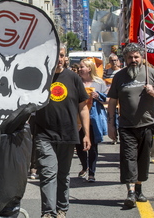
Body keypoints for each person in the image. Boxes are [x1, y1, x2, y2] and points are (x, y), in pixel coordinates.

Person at [107, 43, 154, 209]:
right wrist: (111, 124)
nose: (133, 60)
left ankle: (139, 188)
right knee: (129, 159)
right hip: (126, 126)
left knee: (143, 159)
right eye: (130, 57)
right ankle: (131, 192)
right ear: (125, 59)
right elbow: (112, 101)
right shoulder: (119, 76)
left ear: (142, 57)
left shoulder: (151, 73)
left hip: (147, 125)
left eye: (136, 57)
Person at [35, 44, 91, 218]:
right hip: (44, 134)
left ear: (65, 57)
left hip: (67, 134)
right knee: (47, 173)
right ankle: (48, 212)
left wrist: (87, 134)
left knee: (63, 175)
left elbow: (83, 108)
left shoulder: (73, 78)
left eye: (61, 55)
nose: (58, 59)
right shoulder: (39, 77)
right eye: (54, 55)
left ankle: (61, 209)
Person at [76, 58, 108, 182]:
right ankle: (85, 165)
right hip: (79, 118)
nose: (79, 69)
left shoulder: (99, 83)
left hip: (94, 118)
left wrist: (98, 96)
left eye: (82, 67)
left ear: (89, 69)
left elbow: (108, 99)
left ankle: (92, 173)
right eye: (79, 67)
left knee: (93, 146)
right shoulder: (77, 82)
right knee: (79, 145)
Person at [103, 53, 121, 144]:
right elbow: (103, 83)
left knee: (119, 116)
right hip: (110, 97)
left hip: (119, 98)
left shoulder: (121, 72)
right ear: (109, 62)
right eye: (112, 60)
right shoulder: (106, 72)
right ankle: (114, 136)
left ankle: (119, 134)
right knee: (111, 116)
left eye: (115, 60)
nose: (114, 62)